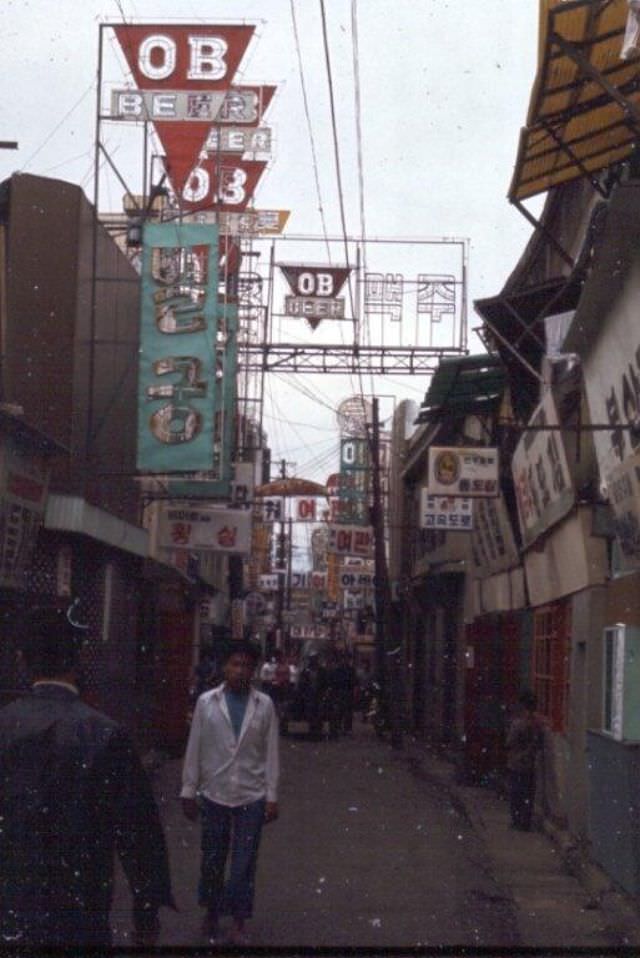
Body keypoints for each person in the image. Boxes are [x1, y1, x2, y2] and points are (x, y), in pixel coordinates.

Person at [0, 606, 174, 949]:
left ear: (22, 661)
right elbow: (138, 832)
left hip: (11, 895)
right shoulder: (107, 734)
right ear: (78, 662)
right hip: (81, 898)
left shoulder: (5, 724)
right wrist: (146, 909)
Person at [181, 641, 279, 946]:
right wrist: (188, 789)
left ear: (253, 670)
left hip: (251, 794)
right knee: (212, 858)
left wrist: (272, 795)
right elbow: (194, 746)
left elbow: (271, 753)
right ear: (224, 667)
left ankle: (238, 920)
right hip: (214, 792)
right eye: (235, 664)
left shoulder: (264, 705)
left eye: (246, 665)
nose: (240, 670)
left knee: (244, 863)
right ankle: (211, 912)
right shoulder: (206, 703)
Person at [506, 689, 545, 831]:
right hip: (530, 763)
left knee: (516, 793)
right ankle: (525, 821)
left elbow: (509, 742)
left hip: (516, 762)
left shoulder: (518, 723)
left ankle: (517, 820)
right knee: (528, 792)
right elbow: (539, 744)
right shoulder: (537, 724)